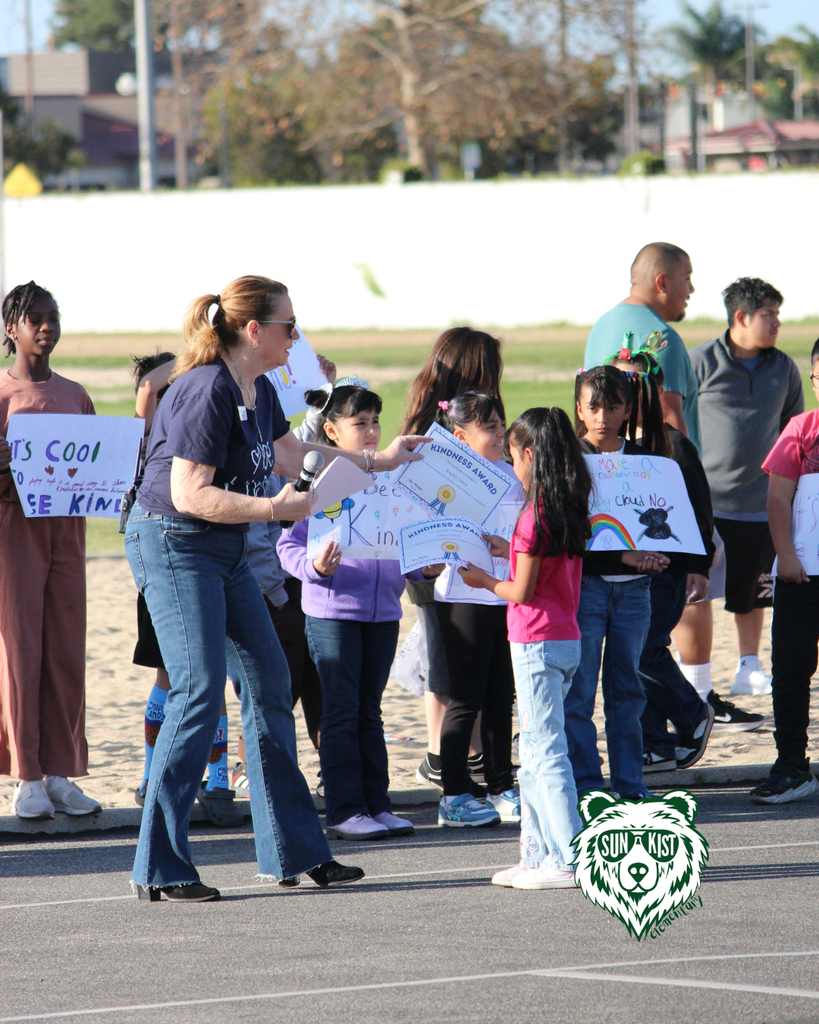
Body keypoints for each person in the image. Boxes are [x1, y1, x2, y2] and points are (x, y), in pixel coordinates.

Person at [125, 275, 426, 900]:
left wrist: (381, 460)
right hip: (174, 541)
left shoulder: (257, 389)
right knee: (198, 692)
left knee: (270, 683)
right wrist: (273, 511)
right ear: (253, 330)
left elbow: (295, 458)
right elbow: (189, 494)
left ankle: (294, 853)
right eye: (289, 325)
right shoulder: (206, 389)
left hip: (224, 546)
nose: (296, 335)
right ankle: (159, 867)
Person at [278, 378, 420, 840]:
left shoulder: (390, 481)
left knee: (369, 713)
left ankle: (377, 805)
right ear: (331, 431)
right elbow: (286, 546)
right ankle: (344, 810)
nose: (373, 430)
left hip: (384, 614)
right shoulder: (318, 481)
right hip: (332, 614)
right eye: (360, 422)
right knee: (340, 713)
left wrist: (426, 568)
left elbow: (405, 544)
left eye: (376, 421)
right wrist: (315, 568)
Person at [458, 407, 590, 889]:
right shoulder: (565, 507)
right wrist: (505, 548)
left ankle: (568, 858)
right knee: (533, 751)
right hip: (563, 638)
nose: (511, 463)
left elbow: (521, 591)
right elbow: (539, 569)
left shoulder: (535, 517)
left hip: (537, 640)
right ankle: (535, 855)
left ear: (530, 456)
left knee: (545, 752)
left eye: (513, 455)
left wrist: (484, 580)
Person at [0, 281, 102, 819]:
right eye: (34, 318)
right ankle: (27, 778)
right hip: (14, 537)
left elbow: (98, 468)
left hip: (68, 536)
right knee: (20, 653)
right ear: (10, 328)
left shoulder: (76, 395)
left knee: (64, 649)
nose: (46, 326)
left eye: (52, 316)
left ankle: (60, 772)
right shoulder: (1, 395)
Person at [610, 348, 723, 772]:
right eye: (616, 383)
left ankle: (693, 714)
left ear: (656, 390)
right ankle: (655, 744)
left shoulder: (674, 445)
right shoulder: (615, 447)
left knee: (643, 650)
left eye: (633, 383)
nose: (624, 392)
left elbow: (700, 511)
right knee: (635, 652)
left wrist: (698, 565)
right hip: (627, 569)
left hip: (669, 568)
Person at [689, 278, 803, 696]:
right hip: (706, 503)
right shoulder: (700, 361)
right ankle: (695, 676)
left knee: (754, 592)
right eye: (768, 314)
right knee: (695, 590)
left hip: (760, 501)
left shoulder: (785, 368)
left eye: (778, 314)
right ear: (741, 317)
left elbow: (792, 432)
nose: (777, 323)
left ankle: (748, 667)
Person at [402, 328, 504, 790]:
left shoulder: (460, 418)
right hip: (434, 562)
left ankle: (463, 754)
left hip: (461, 564)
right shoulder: (434, 431)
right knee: (446, 664)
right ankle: (443, 757)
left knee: (454, 664)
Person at [231, 355, 337, 793]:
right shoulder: (245, 456)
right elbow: (256, 540)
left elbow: (305, 446)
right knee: (276, 687)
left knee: (319, 679)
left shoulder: (280, 445)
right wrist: (276, 596)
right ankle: (246, 767)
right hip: (268, 591)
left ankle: (331, 770)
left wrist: (322, 392)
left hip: (298, 582)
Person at [565, 366, 669, 800]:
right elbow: (568, 534)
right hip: (585, 589)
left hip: (636, 593)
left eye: (612, 407)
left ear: (628, 410)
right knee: (579, 692)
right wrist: (625, 555)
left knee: (628, 692)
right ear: (579, 410)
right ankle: (588, 786)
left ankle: (630, 785)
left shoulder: (647, 463)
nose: (602, 416)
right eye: (593, 407)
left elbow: (667, 526)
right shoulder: (568, 460)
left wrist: (662, 557)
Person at [431, 393, 523, 828]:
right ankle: (453, 794)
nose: (500, 433)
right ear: (461, 436)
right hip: (462, 598)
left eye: (501, 424)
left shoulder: (514, 474)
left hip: (505, 594)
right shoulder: (443, 478)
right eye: (489, 427)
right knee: (466, 699)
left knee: (501, 696)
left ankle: (501, 786)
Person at [749, 338, 819, 805]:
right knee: (791, 671)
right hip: (802, 573)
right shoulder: (801, 429)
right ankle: (793, 766)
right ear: (813, 379)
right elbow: (777, 497)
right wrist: (785, 555)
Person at [584, 242, 700, 453]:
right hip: (649, 467)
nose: (691, 289)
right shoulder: (662, 336)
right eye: (687, 279)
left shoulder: (600, 326)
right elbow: (670, 421)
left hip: (604, 463)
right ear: (662, 283)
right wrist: (685, 467)